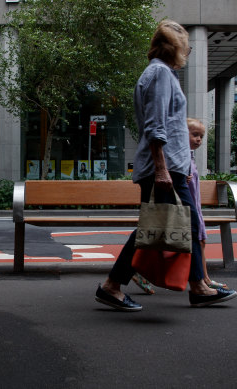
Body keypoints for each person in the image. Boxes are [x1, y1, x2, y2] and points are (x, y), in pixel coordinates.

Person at [94, 20, 237, 311]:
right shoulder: (160, 73)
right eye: (187, 46)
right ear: (175, 47)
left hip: (170, 167)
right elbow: (156, 124)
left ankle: (196, 285)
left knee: (162, 226)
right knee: (166, 226)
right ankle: (191, 287)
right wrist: (161, 168)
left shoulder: (162, 73)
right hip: (165, 168)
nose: (188, 52)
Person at [186, 118, 227, 290]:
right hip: (188, 208)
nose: (199, 139)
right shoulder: (182, 157)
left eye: (201, 136)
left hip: (195, 207)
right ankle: (205, 280)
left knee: (200, 241)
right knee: (194, 241)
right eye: (195, 135)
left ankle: (206, 278)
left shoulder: (190, 156)